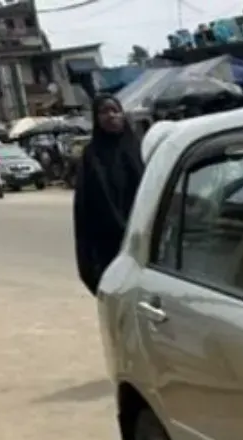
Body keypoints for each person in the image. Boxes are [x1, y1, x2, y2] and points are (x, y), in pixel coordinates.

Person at [72, 94, 145, 296]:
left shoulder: (138, 149)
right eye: (104, 112)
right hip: (109, 244)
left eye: (115, 110)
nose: (111, 116)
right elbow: (84, 207)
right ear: (96, 119)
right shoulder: (91, 156)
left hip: (142, 235)